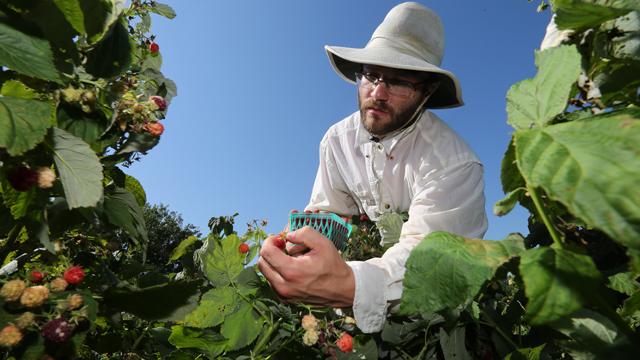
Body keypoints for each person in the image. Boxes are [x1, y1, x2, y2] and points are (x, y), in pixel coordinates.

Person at [258, 2, 487, 333]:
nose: (377, 93)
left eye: (399, 81)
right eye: (371, 75)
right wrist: (298, 250)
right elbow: (329, 216)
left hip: (440, 315)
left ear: (428, 91)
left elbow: (431, 260)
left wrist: (347, 284)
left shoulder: (455, 164)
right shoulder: (336, 141)